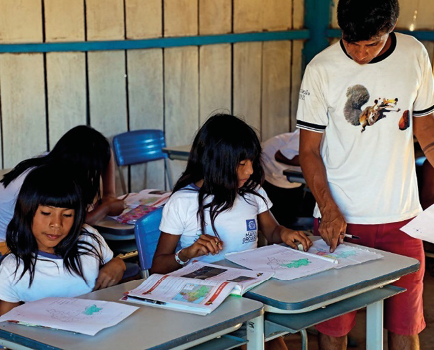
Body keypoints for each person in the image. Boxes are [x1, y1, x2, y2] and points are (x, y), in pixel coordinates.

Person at [296, 0, 434, 349]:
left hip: (402, 219)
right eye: (351, 42)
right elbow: (309, 151)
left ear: (391, 28)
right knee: (334, 326)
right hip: (339, 221)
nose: (359, 54)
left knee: (405, 326)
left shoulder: (414, 55)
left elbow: (427, 132)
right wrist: (328, 209)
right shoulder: (321, 68)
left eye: (371, 44)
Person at [151, 114, 312, 350]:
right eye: (241, 164)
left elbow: (273, 230)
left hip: (252, 293)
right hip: (206, 303)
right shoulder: (183, 202)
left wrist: (285, 233)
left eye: (252, 162)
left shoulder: (252, 192)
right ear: (218, 161)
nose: (249, 171)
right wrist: (186, 254)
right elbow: (158, 266)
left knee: (270, 339)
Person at [0, 165, 126, 316]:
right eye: (46, 213)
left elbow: (111, 264)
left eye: (67, 215)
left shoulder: (88, 237)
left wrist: (118, 264)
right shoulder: (12, 269)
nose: (56, 224)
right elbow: (7, 327)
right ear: (27, 211)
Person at [0, 125, 125, 243]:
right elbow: (67, 224)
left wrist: (109, 195)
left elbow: (108, 152)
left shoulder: (55, 160)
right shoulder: (46, 179)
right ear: (82, 165)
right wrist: (106, 208)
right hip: (7, 246)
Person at [261, 129, 315, 228]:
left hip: (290, 177)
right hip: (270, 168)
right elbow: (280, 155)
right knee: (281, 222)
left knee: (291, 217)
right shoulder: (309, 134)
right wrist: (313, 160)